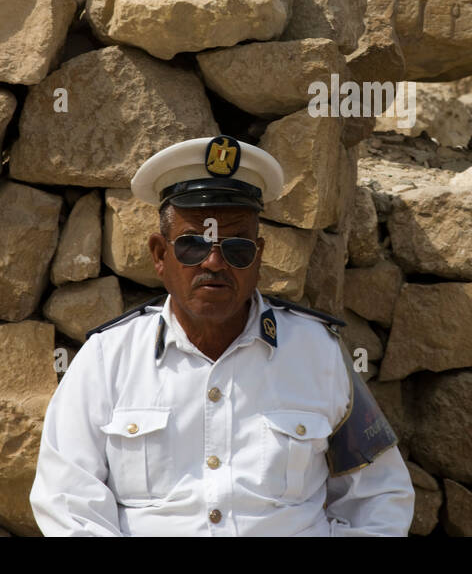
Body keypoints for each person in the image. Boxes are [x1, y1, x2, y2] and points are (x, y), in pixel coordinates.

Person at [30, 134, 415, 536]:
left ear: (259, 256)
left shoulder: (318, 354)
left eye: (237, 247)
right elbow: (67, 500)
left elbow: (379, 496)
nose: (214, 262)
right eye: (194, 245)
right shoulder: (107, 358)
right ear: (160, 255)